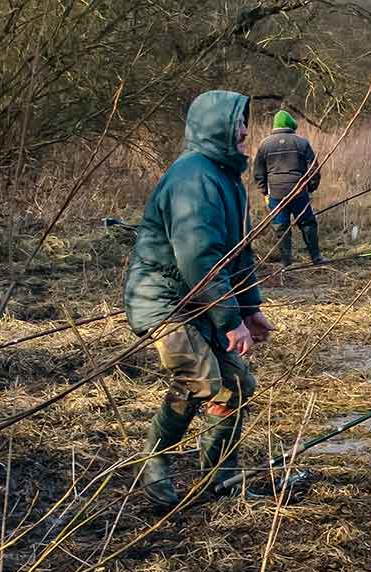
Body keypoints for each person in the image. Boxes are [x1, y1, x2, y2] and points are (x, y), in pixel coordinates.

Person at [123, 90, 275, 508]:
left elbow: (238, 254)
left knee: (238, 385)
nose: (245, 130)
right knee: (201, 381)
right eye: (236, 123)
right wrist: (231, 321)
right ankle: (154, 464)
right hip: (166, 300)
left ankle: (219, 477)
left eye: (245, 122)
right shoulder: (194, 178)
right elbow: (200, 258)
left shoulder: (228, 179)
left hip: (199, 301)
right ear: (215, 127)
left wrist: (251, 309)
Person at [253, 110, 326, 266]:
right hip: (299, 192)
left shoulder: (264, 144)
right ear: (291, 125)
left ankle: (286, 263)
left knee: (280, 227)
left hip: (276, 194)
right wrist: (310, 188)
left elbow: (258, 173)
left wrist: (265, 192)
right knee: (307, 223)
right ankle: (316, 258)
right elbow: (314, 169)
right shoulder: (302, 143)